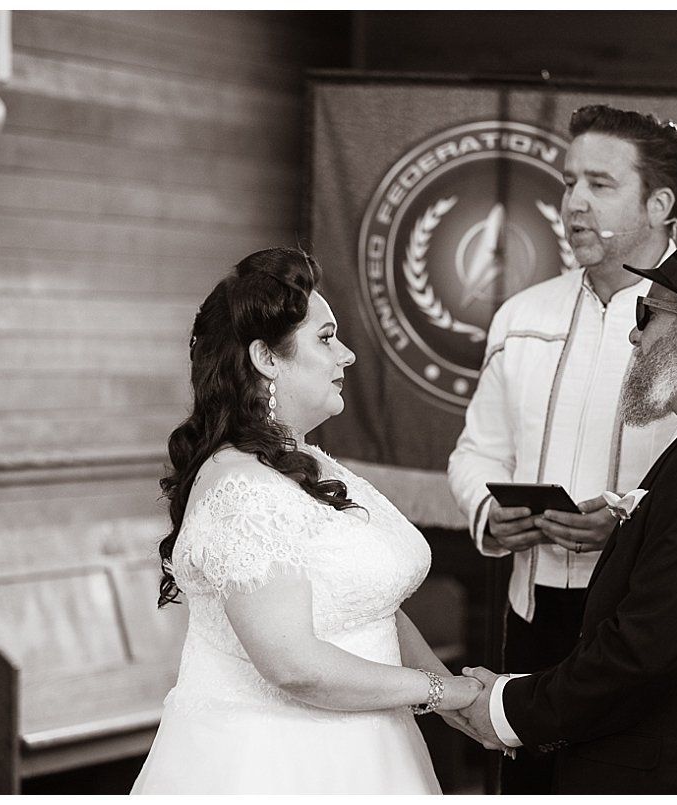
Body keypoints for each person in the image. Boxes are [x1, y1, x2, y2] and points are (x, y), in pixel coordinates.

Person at [446, 105, 677, 793]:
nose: (573, 202)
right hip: (534, 605)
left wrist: (626, 518)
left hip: (655, 616)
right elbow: (474, 452)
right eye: (568, 181)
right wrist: (491, 515)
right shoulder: (521, 318)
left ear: (661, 203)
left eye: (600, 184)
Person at [130, 247, 482, 794]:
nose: (347, 356)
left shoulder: (310, 462)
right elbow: (294, 665)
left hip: (373, 752)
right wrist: (440, 692)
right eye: (325, 338)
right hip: (276, 764)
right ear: (267, 359)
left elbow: (373, 602)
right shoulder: (242, 490)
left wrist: (447, 689)